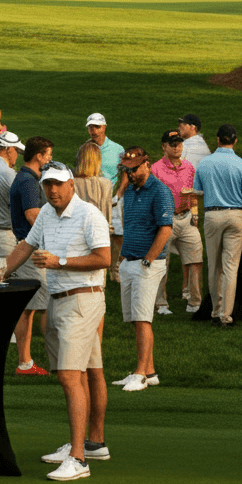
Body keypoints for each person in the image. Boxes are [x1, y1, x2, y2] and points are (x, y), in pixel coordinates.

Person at [0, 161, 111, 482]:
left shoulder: (88, 214)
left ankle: (78, 458)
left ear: (71, 185)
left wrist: (59, 261)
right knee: (86, 372)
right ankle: (92, 444)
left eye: (58, 184)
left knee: (69, 376)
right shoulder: (47, 216)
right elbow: (25, 246)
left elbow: (104, 258)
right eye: (47, 184)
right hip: (60, 300)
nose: (52, 190)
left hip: (82, 299)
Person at [0, 130, 47, 377]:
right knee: (12, 295)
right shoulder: (9, 175)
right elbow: (20, 207)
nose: (16, 155)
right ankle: (17, 353)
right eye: (15, 150)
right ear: (7, 150)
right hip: (3, 235)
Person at [110, 147, 173, 392]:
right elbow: (131, 227)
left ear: (147, 164)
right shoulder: (131, 191)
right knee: (136, 320)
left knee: (143, 319)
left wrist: (148, 259)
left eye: (134, 169)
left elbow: (165, 229)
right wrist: (122, 258)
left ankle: (140, 374)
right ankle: (150, 372)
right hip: (130, 261)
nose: (130, 174)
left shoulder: (159, 191)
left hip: (149, 264)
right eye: (127, 170)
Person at [192, 124, 242, 326]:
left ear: (217, 139)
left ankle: (215, 310)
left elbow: (197, 191)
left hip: (213, 214)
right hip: (236, 214)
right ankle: (226, 315)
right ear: (235, 140)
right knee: (231, 266)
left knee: (214, 266)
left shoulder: (204, 164)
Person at [9, 136, 54, 367]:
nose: (50, 159)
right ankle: (32, 361)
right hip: (31, 249)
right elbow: (32, 214)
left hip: (27, 246)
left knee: (31, 306)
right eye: (48, 155)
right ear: (39, 156)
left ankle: (27, 361)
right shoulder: (28, 181)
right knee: (38, 305)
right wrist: (55, 232)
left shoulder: (26, 177)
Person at [151, 129, 204, 315]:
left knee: (195, 259)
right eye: (173, 144)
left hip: (187, 217)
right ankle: (161, 303)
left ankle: (194, 301)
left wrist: (196, 214)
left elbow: (193, 192)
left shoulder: (189, 167)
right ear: (164, 146)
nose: (177, 147)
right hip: (166, 220)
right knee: (161, 263)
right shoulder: (155, 169)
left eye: (179, 144)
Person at [72, 140, 114, 349]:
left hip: (74, 244)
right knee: (97, 296)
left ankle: (77, 343)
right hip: (97, 243)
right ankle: (95, 345)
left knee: (75, 296)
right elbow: (107, 217)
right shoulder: (105, 184)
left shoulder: (70, 183)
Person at [85, 113, 125, 274]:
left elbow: (125, 173)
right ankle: (97, 267)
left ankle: (116, 269)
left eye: (97, 127)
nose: (94, 131)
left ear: (104, 127)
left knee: (117, 235)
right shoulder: (86, 149)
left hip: (113, 198)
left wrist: (119, 193)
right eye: (91, 127)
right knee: (93, 234)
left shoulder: (117, 149)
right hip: (92, 199)